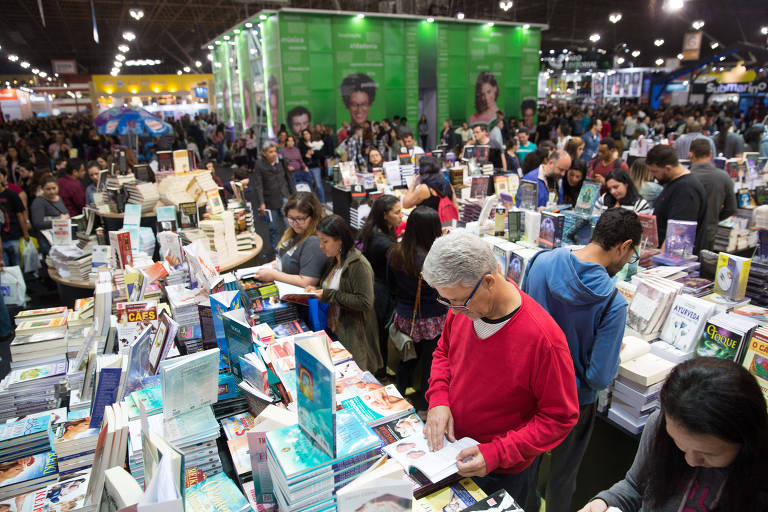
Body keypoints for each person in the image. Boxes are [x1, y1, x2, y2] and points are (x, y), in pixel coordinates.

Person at [421, 230, 578, 509]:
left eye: (458, 301)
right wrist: (439, 398)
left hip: (502, 470)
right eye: (446, 301)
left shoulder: (544, 341)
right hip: (451, 450)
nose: (453, 311)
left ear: (489, 281)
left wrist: (498, 453)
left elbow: (559, 417)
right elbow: (444, 351)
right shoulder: (465, 309)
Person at [522, 208, 642, 512]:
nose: (628, 261)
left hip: (529, 387)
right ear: (624, 246)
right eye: (632, 255)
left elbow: (520, 324)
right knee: (563, 477)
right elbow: (599, 376)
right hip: (573, 401)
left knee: (524, 463)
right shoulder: (613, 303)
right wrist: (614, 353)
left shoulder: (540, 262)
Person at [578, 357, 768, 512]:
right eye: (679, 444)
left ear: (745, 441)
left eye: (708, 454)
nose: (691, 460)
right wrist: (604, 502)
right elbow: (634, 486)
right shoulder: (659, 425)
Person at [306, 214, 383, 373]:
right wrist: (316, 290)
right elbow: (331, 287)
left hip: (354, 335)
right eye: (320, 240)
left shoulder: (358, 265)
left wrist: (329, 295)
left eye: (325, 241)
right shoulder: (334, 260)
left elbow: (365, 302)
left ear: (340, 240)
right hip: (333, 328)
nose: (321, 246)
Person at [387, 206, 446, 409]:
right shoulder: (435, 258)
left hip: (405, 316)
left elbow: (391, 285)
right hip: (433, 318)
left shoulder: (396, 252)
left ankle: (397, 398)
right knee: (431, 364)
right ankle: (424, 406)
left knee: (407, 358)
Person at [359, 195, 402, 369]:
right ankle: (381, 369)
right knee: (381, 334)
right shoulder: (381, 241)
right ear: (385, 215)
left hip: (372, 286)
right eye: (397, 212)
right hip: (380, 292)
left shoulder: (371, 229)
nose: (401, 216)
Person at [252, 192, 327, 291]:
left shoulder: (314, 242)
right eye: (290, 218)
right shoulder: (297, 232)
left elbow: (307, 282)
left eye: (300, 219)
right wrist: (271, 265)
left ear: (313, 217)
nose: (295, 224)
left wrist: (273, 275)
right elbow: (288, 257)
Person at [646, 143, 708, 254]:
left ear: (668, 168)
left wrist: (659, 259)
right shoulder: (673, 182)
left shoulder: (686, 190)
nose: (652, 176)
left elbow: (677, 233)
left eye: (655, 171)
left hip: (673, 257)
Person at [689, 138, 737, 251]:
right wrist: (714, 218)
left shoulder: (685, 176)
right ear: (710, 154)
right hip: (709, 232)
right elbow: (731, 208)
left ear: (691, 154)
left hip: (684, 233)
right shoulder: (723, 176)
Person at [251, 140, 296, 250]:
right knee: (273, 228)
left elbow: (289, 178)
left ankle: (291, 248)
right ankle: (276, 251)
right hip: (269, 200)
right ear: (264, 153)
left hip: (284, 196)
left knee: (289, 224)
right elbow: (259, 185)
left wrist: (294, 195)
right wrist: (261, 202)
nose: (274, 154)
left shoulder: (281, 160)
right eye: (270, 152)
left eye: (275, 151)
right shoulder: (259, 164)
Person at [30, 175, 69, 256]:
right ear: (42, 189)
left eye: (54, 188)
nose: (52, 192)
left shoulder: (58, 198)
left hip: (62, 237)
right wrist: (58, 221)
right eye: (48, 189)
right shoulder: (38, 202)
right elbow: (37, 223)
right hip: (47, 240)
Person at [0, 168, 30, 266]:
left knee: (17, 265)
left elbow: (20, 214)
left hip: (13, 235)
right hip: (2, 239)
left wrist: (25, 234)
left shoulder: (11, 194)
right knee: (5, 269)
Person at [297, 129, 325, 203]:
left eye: (307, 133)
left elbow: (321, 154)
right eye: (304, 134)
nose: (306, 135)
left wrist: (313, 153)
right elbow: (300, 156)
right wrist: (306, 155)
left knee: (318, 185)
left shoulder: (315, 142)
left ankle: (322, 202)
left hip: (315, 166)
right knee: (310, 186)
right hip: (306, 167)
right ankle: (314, 203)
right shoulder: (301, 145)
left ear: (310, 134)